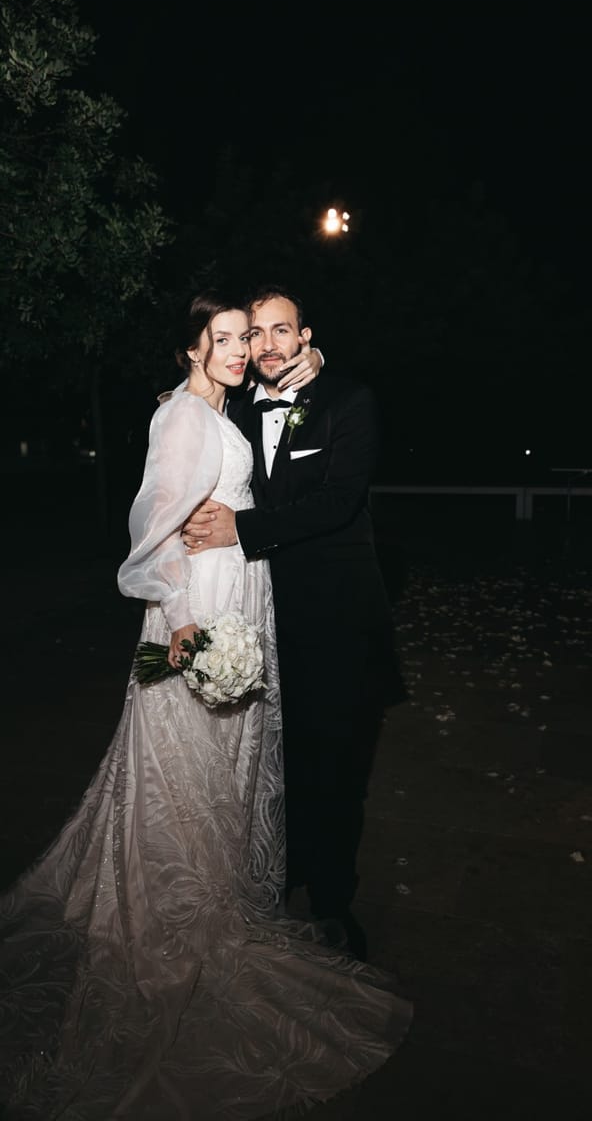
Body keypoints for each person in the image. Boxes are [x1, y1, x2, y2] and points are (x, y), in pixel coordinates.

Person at [0, 290, 410, 1119]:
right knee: (185, 769)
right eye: (232, 336)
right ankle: (179, 913)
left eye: (262, 334)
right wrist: (180, 627)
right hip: (200, 612)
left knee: (262, 769)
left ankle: (299, 897)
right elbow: (152, 532)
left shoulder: (296, 401)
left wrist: (245, 523)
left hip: (276, 611)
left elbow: (327, 493)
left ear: (300, 339)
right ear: (194, 348)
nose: (249, 349)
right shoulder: (181, 417)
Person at [182, 284, 407, 962]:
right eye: (256, 334)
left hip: (338, 627)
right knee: (277, 770)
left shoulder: (349, 401)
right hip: (265, 625)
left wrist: (241, 530)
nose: (269, 345)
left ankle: (335, 903)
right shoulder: (239, 414)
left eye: (284, 331)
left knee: (339, 772)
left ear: (306, 337)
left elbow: (338, 503)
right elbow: (192, 400)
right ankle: (281, 880)